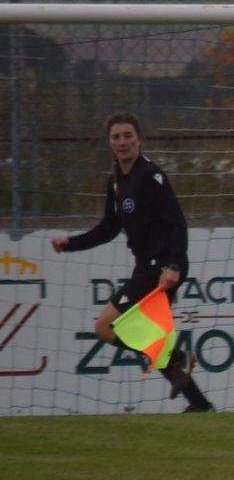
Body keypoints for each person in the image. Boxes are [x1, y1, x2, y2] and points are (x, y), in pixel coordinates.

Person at [52, 110, 214, 412]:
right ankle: (199, 403)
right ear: (109, 142)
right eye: (117, 137)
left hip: (162, 267)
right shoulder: (115, 183)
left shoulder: (151, 176)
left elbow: (177, 223)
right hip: (147, 266)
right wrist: (70, 243)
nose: (123, 142)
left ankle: (178, 361)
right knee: (148, 336)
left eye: (128, 136)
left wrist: (174, 266)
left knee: (105, 327)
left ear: (139, 139)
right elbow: (108, 229)